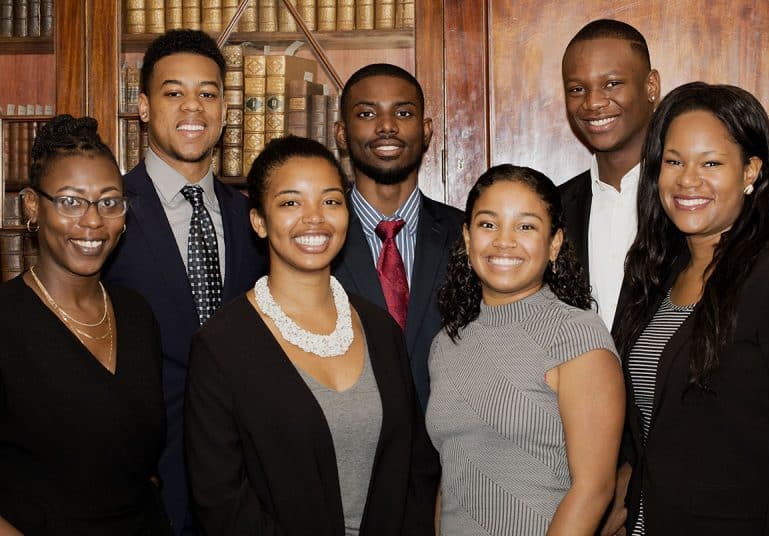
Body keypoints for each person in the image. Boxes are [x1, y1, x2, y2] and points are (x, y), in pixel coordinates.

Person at [184, 136, 440, 534]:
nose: (315, 217)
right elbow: (221, 501)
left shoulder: (380, 328)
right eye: (290, 202)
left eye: (331, 200)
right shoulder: (221, 345)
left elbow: (415, 468)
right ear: (259, 220)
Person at [608, 82, 769, 535]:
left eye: (710, 163)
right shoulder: (654, 275)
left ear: (751, 171)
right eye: (673, 161)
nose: (687, 180)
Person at [103, 29, 264, 534]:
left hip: (245, 481)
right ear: (145, 106)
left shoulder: (252, 219)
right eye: (174, 92)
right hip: (142, 484)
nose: (193, 107)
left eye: (208, 93)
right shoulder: (105, 214)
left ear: (225, 109)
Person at [427, 164, 625, 535]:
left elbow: (594, 489)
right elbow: (452, 476)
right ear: (468, 239)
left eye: (526, 226)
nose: (504, 241)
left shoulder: (576, 335)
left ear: (555, 243)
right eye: (488, 224)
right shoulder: (445, 344)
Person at [0, 115, 170, 534]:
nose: (93, 221)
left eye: (110, 201)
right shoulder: (5, 321)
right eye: (71, 201)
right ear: (33, 205)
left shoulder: (136, 314)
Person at [332, 63, 464, 410]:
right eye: (367, 113)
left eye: (403, 113)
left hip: (447, 456)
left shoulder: (467, 237)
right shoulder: (314, 239)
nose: (387, 126)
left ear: (426, 131)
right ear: (342, 134)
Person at [559, 19, 660, 329]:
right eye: (577, 89)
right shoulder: (551, 208)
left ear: (651, 86)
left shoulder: (687, 201)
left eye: (612, 83)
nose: (593, 103)